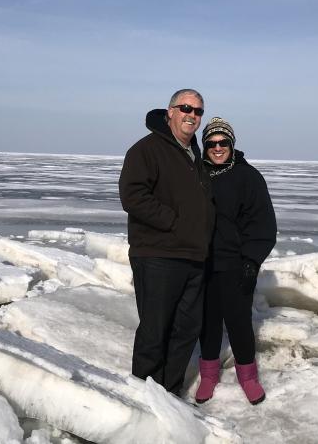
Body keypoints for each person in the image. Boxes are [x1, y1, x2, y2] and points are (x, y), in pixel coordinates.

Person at [118, 89, 215, 395]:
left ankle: (169, 395)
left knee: (185, 330)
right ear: (170, 111)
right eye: (186, 108)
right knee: (155, 331)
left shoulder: (194, 156)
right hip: (158, 254)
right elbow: (132, 196)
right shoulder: (147, 150)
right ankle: (144, 398)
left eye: (198, 111)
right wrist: (174, 223)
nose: (192, 115)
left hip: (193, 257)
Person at [195, 117, 277, 405]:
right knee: (207, 322)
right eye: (212, 143)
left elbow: (264, 225)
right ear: (205, 146)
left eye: (223, 143)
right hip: (201, 263)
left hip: (235, 265)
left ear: (232, 144)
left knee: (239, 322)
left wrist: (251, 261)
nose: (218, 148)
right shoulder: (196, 173)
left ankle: (248, 376)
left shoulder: (249, 177)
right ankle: (208, 375)